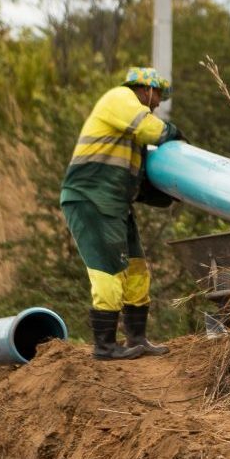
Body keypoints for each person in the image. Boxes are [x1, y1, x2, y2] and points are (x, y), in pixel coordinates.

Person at [59, 65, 181, 361]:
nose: (157, 104)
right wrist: (174, 135)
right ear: (145, 88)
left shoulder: (127, 135)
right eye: (157, 97)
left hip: (113, 204)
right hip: (90, 199)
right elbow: (151, 129)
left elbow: (130, 177)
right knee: (108, 269)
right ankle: (105, 345)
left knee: (137, 269)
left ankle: (137, 338)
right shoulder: (120, 97)